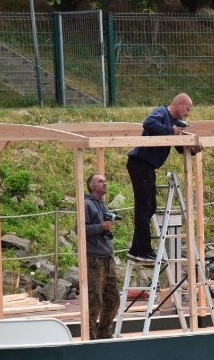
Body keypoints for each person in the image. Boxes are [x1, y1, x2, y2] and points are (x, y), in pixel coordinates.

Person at [126, 92, 201, 261]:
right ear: (180, 104)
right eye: (187, 109)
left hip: (146, 166)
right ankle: (143, 250)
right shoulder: (161, 112)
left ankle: (136, 249)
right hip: (140, 164)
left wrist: (192, 149)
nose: (187, 113)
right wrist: (170, 130)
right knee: (144, 208)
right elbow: (148, 123)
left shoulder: (174, 123)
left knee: (149, 207)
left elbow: (178, 146)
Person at [83, 173, 120, 340]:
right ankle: (89, 337)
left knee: (113, 299)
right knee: (94, 299)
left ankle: (104, 333)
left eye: (105, 180)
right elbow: (81, 229)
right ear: (91, 186)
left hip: (107, 257)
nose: (104, 183)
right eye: (100, 181)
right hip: (94, 259)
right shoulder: (86, 205)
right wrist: (101, 227)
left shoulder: (102, 204)